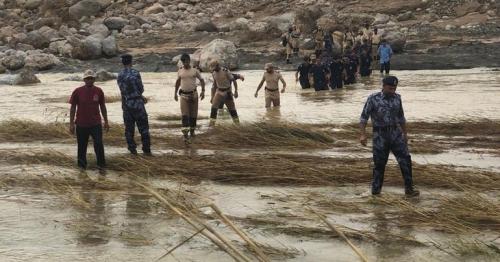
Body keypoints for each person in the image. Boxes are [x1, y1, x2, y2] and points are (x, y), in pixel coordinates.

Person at [359, 76, 419, 197]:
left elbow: (401, 117)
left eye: (394, 88)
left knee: (405, 160)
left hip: (396, 134)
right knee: (379, 164)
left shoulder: (397, 98)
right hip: (380, 135)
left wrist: (405, 134)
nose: (393, 91)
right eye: (390, 88)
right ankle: (376, 192)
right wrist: (362, 134)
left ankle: (409, 189)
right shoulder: (373, 99)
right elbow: (364, 117)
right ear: (384, 86)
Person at [69, 69, 109, 169]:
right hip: (81, 124)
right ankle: (82, 168)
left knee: (99, 144)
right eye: (87, 78)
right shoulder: (77, 91)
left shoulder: (99, 91)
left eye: (91, 78)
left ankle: (101, 166)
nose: (89, 80)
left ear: (94, 79)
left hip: (96, 124)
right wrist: (71, 124)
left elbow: (103, 107)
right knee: (82, 147)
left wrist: (106, 121)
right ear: (84, 80)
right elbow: (73, 107)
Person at [117, 54, 151, 155]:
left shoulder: (120, 75)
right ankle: (146, 149)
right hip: (138, 103)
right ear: (131, 62)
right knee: (144, 128)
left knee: (129, 129)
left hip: (127, 104)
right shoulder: (135, 73)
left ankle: (132, 149)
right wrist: (139, 95)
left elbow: (122, 91)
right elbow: (141, 88)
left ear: (122, 63)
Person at [174, 53, 205, 143]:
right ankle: (185, 135)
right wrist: (175, 93)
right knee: (185, 116)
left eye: (187, 61)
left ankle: (192, 132)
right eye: (184, 62)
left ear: (189, 61)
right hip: (183, 96)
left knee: (193, 116)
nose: (186, 63)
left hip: (194, 95)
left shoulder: (195, 70)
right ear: (182, 62)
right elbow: (177, 82)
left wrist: (203, 91)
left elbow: (202, 80)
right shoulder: (180, 71)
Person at [210, 60, 239, 125]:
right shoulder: (214, 73)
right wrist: (212, 97)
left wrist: (236, 91)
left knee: (232, 110)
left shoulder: (225, 71)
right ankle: (211, 124)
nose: (214, 70)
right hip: (219, 91)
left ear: (218, 65)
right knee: (213, 108)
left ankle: (237, 124)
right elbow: (214, 85)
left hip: (227, 92)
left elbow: (234, 80)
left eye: (215, 68)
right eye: (213, 69)